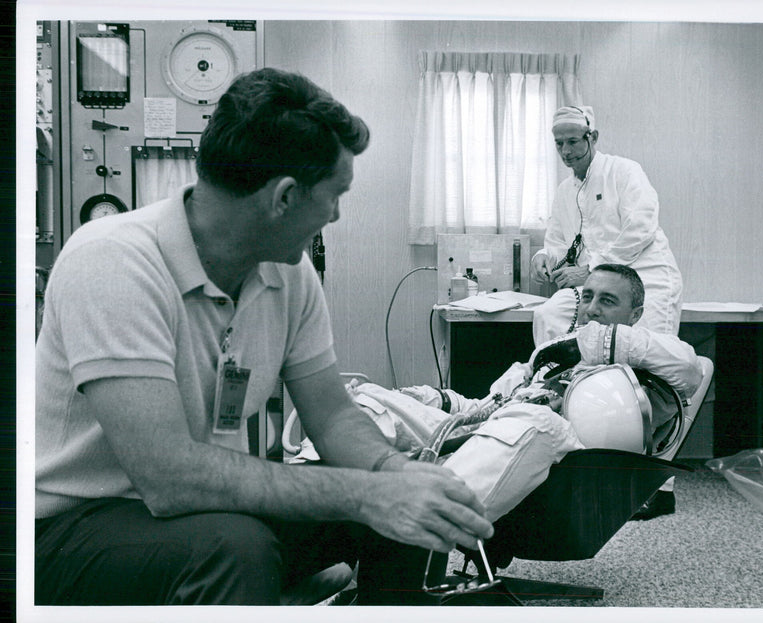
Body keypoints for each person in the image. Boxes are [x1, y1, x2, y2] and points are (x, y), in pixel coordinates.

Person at [34, 67, 494, 606]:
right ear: (285, 197)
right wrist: (367, 493)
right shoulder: (112, 261)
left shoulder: (287, 272)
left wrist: (397, 475)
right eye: (335, 195)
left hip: (207, 511)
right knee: (233, 548)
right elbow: (168, 478)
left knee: (408, 514)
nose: (336, 214)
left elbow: (333, 415)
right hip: (72, 528)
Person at [322, 264, 703, 524]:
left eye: (607, 300)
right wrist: (439, 400)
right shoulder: (552, 356)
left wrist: (595, 345)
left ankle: (411, 522)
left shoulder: (644, 370)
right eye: (586, 297)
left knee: (534, 420)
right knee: (366, 400)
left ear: (635, 314)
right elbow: (494, 404)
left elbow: (691, 368)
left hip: (562, 462)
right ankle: (320, 518)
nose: (591, 309)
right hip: (491, 433)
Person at [531, 105, 683, 346]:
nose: (566, 151)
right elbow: (559, 242)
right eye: (559, 143)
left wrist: (591, 269)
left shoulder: (623, 171)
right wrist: (544, 256)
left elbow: (641, 228)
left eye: (572, 141)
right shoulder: (564, 192)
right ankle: (557, 378)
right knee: (548, 315)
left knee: (645, 352)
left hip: (646, 280)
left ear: (592, 137)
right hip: (598, 288)